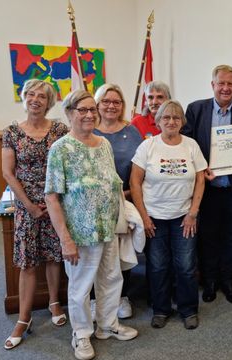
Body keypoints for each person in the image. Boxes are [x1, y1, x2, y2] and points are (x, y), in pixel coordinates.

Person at [45, 90, 138, 360]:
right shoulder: (60, 148)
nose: (88, 115)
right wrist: (65, 239)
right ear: (69, 113)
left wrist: (124, 217)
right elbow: (51, 197)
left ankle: (107, 325)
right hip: (80, 234)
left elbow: (115, 185)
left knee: (111, 278)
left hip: (109, 228)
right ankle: (82, 333)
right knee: (81, 286)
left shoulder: (104, 144)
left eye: (91, 110)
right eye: (81, 110)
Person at [184, 64, 232, 304]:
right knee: (208, 236)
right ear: (213, 85)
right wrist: (199, 168)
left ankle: (227, 281)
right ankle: (209, 281)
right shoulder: (196, 109)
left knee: (231, 236)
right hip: (206, 188)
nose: (226, 88)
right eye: (221, 83)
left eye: (230, 84)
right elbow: (187, 146)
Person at [2, 79, 68, 350]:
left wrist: (54, 201)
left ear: (49, 102)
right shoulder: (12, 132)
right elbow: (8, 172)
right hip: (26, 205)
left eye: (42, 96)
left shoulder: (61, 130)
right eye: (30, 94)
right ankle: (24, 317)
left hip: (56, 202)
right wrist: (29, 204)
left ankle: (54, 303)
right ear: (24, 97)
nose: (35, 99)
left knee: (54, 256)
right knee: (28, 262)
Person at [131, 100, 206, 330]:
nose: (171, 122)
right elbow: (135, 182)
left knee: (185, 266)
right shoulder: (148, 146)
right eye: (166, 118)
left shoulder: (191, 145)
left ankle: (188, 309)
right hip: (155, 218)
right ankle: (161, 309)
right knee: (157, 266)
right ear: (158, 121)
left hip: (184, 217)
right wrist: (144, 217)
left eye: (176, 118)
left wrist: (193, 213)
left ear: (182, 121)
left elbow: (201, 179)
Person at [93, 84, 143, 319]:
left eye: (116, 101)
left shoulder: (132, 132)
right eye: (106, 101)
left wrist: (125, 194)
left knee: (123, 250)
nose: (111, 106)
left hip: (125, 199)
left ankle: (123, 296)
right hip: (93, 203)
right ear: (97, 104)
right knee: (96, 251)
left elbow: (139, 170)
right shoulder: (88, 130)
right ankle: (95, 299)